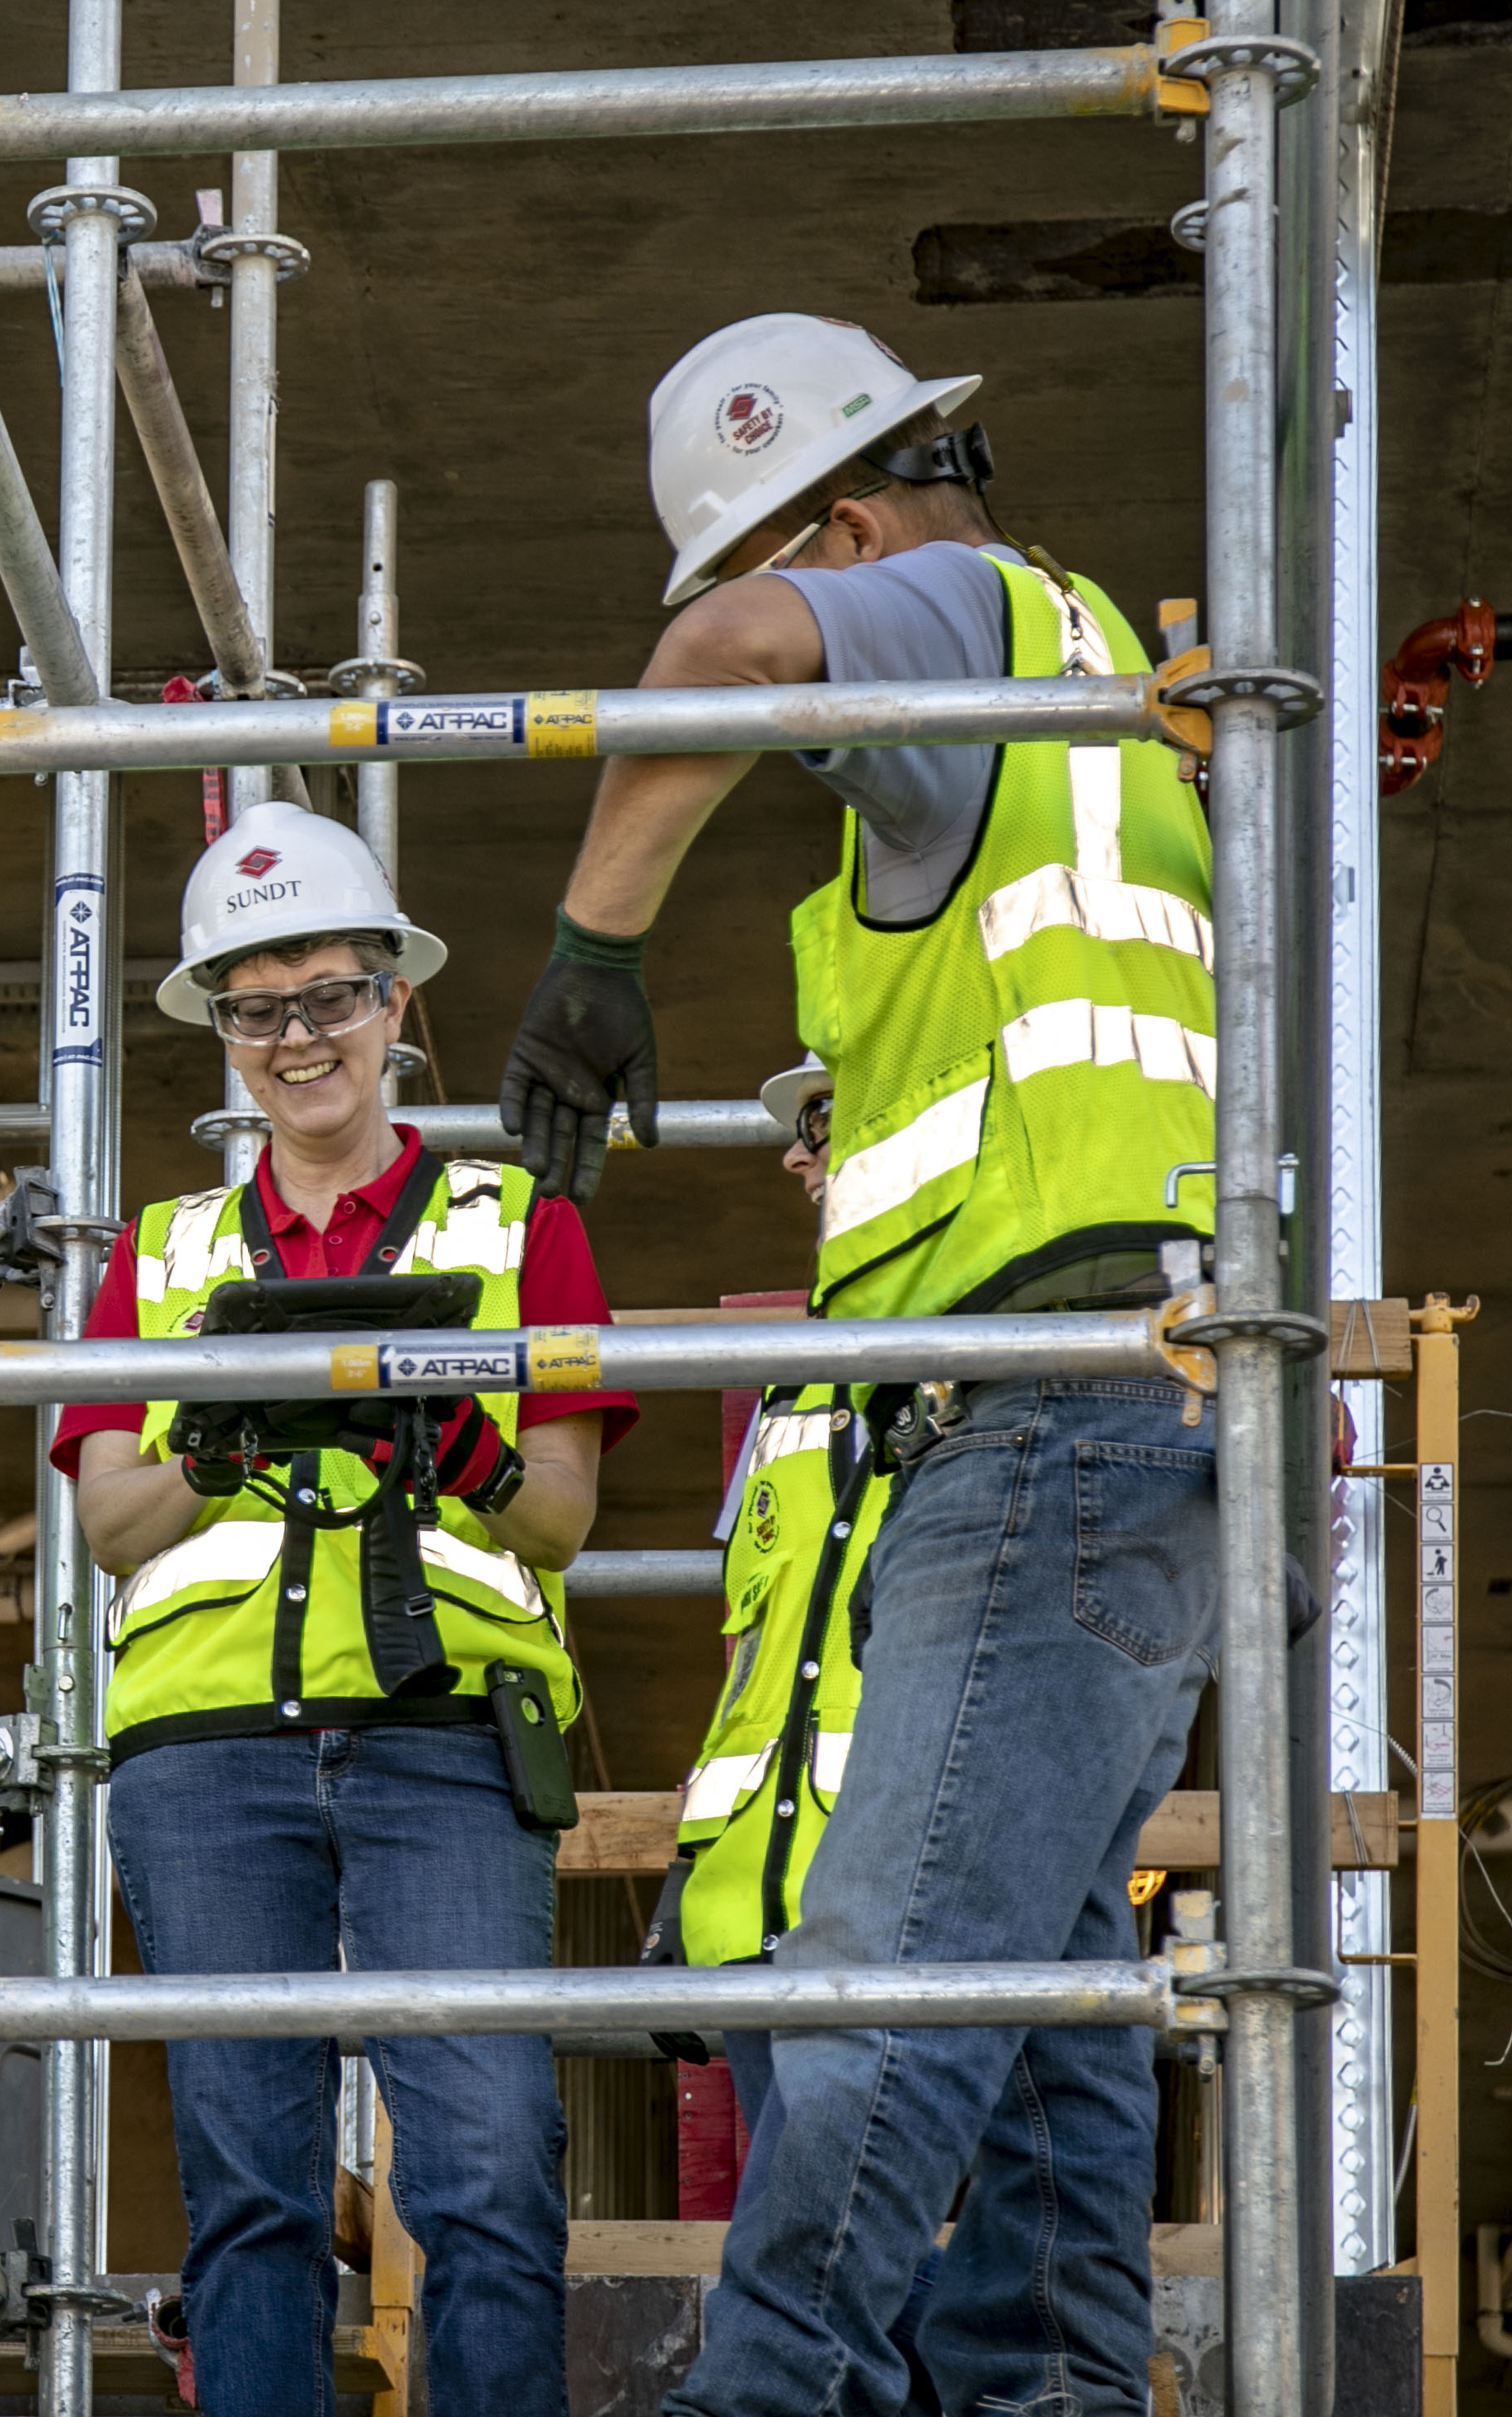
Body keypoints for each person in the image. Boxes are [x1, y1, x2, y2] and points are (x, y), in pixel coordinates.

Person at [494, 314, 1219, 2417]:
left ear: (840, 520)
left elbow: (726, 652)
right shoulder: (1112, 708)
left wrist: (597, 948)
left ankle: (765, 2397)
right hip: (1140, 1410)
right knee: (1052, 2011)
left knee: (884, 1994)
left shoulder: (950, 616)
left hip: (1042, 1421)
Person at [56, 801, 636, 2417]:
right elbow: (112, 1522)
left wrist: (458, 1448)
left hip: (445, 1742)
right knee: (251, 2200)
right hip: (208, 1760)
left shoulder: (522, 1232)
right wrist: (223, 1458)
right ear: (223, 1036)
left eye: (326, 996)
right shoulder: (160, 1256)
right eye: (256, 1007)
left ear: (395, 1004)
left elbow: (566, 1515)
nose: (297, 1037)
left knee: (488, 2176)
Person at [649, 1057, 1123, 2417]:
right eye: (797, 1134)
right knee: (831, 2257)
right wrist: (697, 1880)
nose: (801, 1160)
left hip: (929, 1877)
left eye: (826, 1124)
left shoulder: (1014, 1337)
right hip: (770, 1903)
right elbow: (759, 1653)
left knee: (867, 2262)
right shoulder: (797, 1376)